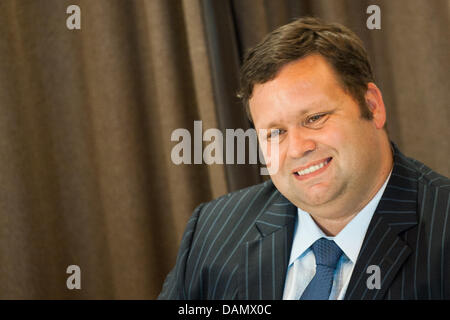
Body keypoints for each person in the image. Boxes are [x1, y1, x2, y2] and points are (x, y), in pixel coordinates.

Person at [158, 17, 449, 300]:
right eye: (275, 133)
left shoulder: (442, 228)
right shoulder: (212, 230)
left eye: (314, 118)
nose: (297, 148)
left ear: (372, 106)